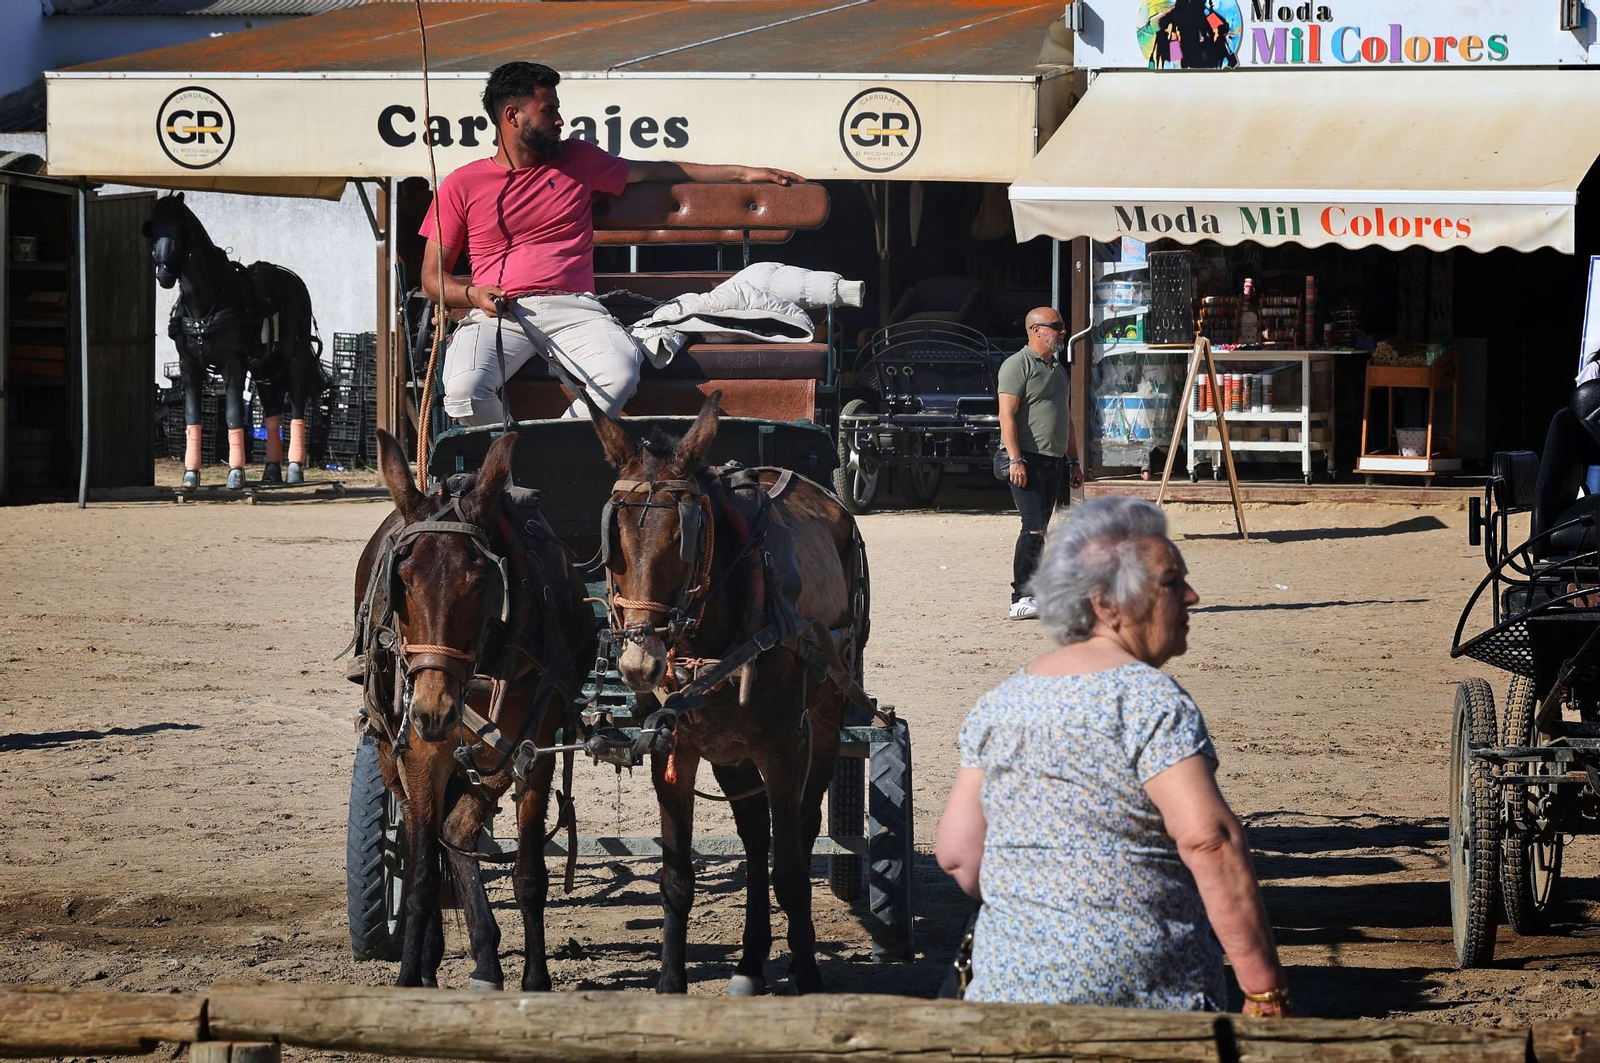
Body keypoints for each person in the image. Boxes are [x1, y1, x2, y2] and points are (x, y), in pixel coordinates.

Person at [934, 496, 1292, 1016]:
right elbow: (1209, 842)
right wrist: (1264, 989)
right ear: (1106, 605)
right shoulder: (1149, 700)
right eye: (1172, 583)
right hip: (1147, 1001)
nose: (1192, 596)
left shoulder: (999, 703)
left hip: (1007, 994)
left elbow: (958, 856)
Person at [420, 62, 803, 425]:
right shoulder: (460, 184)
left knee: (619, 373)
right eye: (548, 110)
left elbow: (656, 170)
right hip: (500, 314)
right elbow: (432, 280)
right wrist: (472, 295)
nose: (560, 120)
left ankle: (550, 454)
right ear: (512, 116)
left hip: (574, 309)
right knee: (463, 392)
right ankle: (518, 460)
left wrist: (743, 173)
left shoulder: (579, 158)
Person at [998, 306, 1081, 621]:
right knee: (1032, 526)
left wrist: (1074, 461)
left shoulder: (1057, 369)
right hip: (1027, 458)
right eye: (1056, 326)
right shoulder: (1017, 365)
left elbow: (1066, 419)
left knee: (1041, 529)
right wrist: (1015, 458)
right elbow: (1006, 415)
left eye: (1062, 325)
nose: (1063, 331)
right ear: (1036, 330)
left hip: (1053, 460)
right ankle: (1020, 597)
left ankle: (1034, 593)